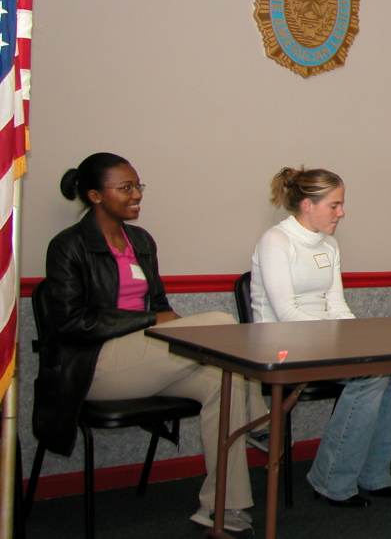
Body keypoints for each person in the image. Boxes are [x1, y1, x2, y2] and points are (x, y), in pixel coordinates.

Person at [37, 153, 254, 533]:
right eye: (126, 188)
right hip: (94, 366)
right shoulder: (67, 246)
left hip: (147, 357)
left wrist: (158, 320)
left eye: (138, 186)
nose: (136, 194)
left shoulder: (140, 241)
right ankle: (260, 423)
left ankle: (223, 507)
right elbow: (72, 324)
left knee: (227, 383)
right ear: (95, 195)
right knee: (220, 322)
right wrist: (151, 320)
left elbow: (160, 306)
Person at [250, 167, 391, 507]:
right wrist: (343, 345)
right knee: (369, 377)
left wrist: (358, 339)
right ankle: (332, 481)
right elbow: (286, 313)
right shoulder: (276, 241)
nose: (341, 213)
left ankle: (374, 473)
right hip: (283, 343)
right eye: (334, 205)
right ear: (308, 205)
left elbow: (337, 305)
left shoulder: (330, 245)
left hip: (324, 340)